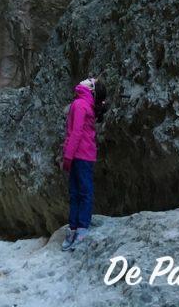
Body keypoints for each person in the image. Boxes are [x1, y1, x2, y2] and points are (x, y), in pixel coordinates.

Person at [60, 76, 107, 251]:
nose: (86, 79)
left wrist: (67, 156)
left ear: (91, 89)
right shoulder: (82, 103)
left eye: (90, 80)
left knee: (81, 192)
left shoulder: (80, 104)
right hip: (82, 154)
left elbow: (76, 132)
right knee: (77, 192)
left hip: (81, 155)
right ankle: (74, 228)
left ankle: (80, 229)